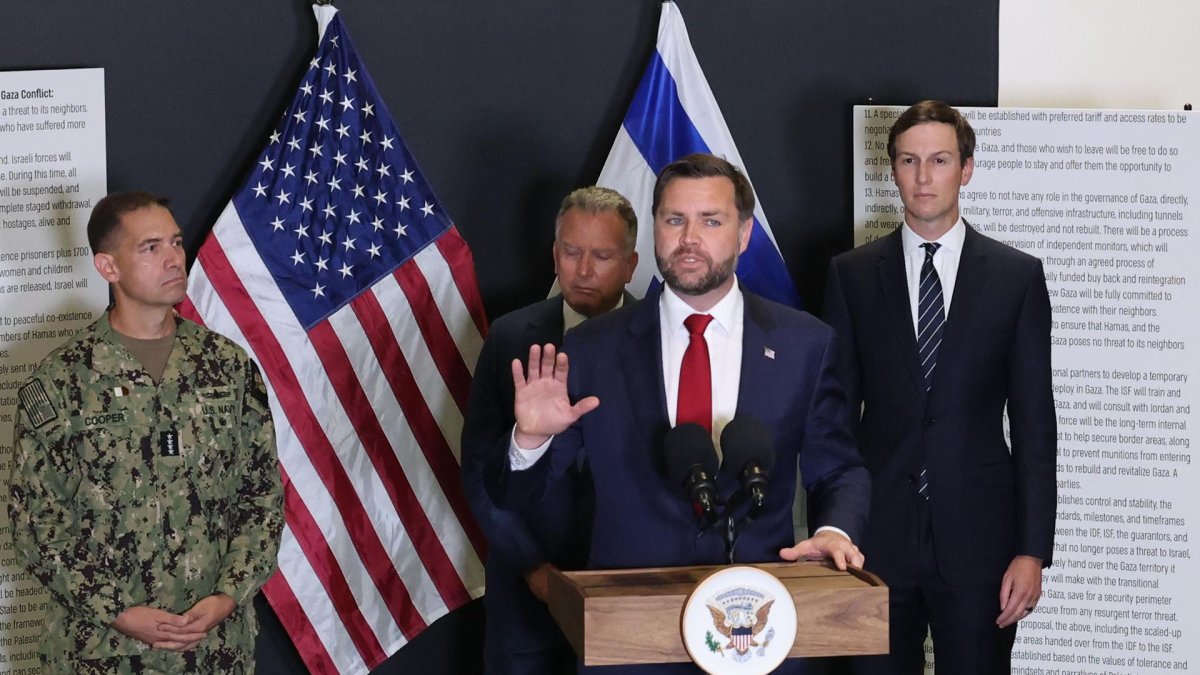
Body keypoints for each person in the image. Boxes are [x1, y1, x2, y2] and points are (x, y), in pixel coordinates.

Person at [491, 153, 871, 674]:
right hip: (628, 637)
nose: (689, 237)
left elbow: (840, 467)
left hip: (757, 634)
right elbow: (521, 497)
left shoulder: (806, 343)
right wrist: (529, 443)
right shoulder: (589, 349)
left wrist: (836, 532)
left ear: (743, 234)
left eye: (710, 221)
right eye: (674, 220)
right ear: (654, 229)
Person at [822, 100, 1056, 674]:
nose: (924, 176)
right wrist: (837, 526)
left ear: (966, 168)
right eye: (909, 160)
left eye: (940, 160)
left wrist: (1032, 552)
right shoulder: (850, 275)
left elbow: (1034, 424)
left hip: (981, 544)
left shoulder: (1016, 277)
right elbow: (833, 416)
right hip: (872, 542)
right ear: (893, 169)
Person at [9, 192, 284, 673]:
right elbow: (36, 524)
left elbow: (261, 498)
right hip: (101, 653)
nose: (174, 258)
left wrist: (227, 594)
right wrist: (118, 610)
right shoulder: (62, 382)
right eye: (151, 247)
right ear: (108, 267)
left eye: (176, 242)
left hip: (213, 649)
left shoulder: (227, 367)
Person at [461, 186, 639, 674]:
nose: (583, 271)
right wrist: (534, 569)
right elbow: (478, 470)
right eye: (572, 252)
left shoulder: (663, 338)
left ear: (630, 263)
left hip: (630, 598)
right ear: (555, 255)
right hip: (526, 600)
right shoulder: (509, 338)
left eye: (602, 255)